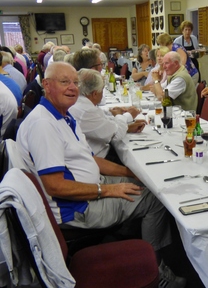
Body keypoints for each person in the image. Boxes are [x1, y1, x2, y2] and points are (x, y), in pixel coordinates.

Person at [16, 62, 186, 288]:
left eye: (75, 82)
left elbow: (89, 159)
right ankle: (157, 269)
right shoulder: (43, 125)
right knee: (155, 199)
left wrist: (130, 173)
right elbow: (55, 186)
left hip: (91, 188)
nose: (72, 88)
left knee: (147, 182)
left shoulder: (61, 115)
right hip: (77, 208)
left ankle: (128, 225)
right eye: (64, 82)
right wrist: (107, 190)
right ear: (46, 85)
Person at [69, 68, 145, 160]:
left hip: (95, 154)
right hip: (101, 158)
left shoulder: (80, 103)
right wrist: (124, 116)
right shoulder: (86, 110)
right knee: (140, 158)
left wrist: (126, 125)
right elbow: (117, 135)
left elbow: (104, 121)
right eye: (102, 90)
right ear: (95, 94)